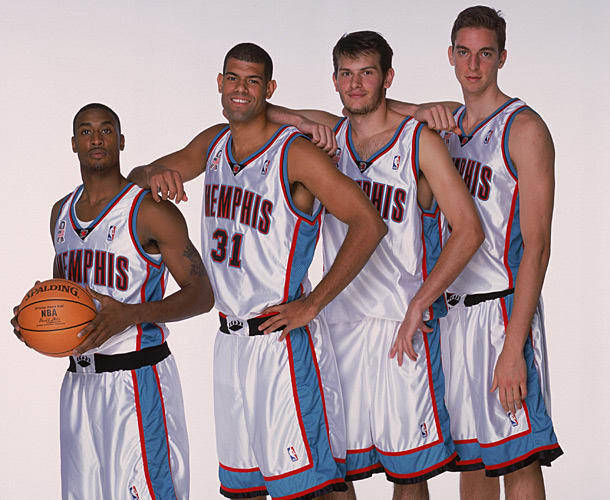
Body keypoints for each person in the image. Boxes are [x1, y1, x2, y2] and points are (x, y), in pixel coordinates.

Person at [129, 43, 387, 499]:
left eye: (252, 81)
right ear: (220, 83)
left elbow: (369, 222)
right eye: (233, 78)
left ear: (269, 89)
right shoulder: (214, 142)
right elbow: (133, 181)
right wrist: (152, 171)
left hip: (282, 346)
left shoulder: (295, 154)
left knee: (318, 487)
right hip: (229, 344)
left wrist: (312, 302)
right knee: (244, 491)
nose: (240, 89)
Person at [266, 31, 484, 499]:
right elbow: (255, 110)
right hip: (337, 324)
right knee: (333, 474)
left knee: (408, 474)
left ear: (388, 77)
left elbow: (469, 229)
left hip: (399, 327)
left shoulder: (419, 142)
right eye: (346, 74)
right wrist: (303, 119)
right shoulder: (326, 139)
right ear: (334, 80)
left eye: (367, 73)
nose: (356, 85)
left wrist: (420, 305)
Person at [390, 6, 563, 499]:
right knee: (474, 459)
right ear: (450, 55)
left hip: (502, 308)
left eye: (485, 54)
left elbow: (539, 247)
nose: (473, 65)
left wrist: (513, 346)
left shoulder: (524, 128)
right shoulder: (446, 125)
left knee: (519, 458)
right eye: (463, 53)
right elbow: (370, 105)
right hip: (453, 317)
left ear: (502, 57)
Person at [11, 102, 215, 499]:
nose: (96, 139)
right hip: (79, 383)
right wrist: (36, 321)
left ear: (121, 141)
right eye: (86, 131)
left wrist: (130, 316)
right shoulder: (60, 214)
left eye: (106, 130)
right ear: (74, 144)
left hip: (137, 381)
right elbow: (67, 295)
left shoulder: (150, 210)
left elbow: (203, 294)